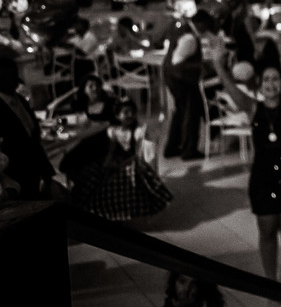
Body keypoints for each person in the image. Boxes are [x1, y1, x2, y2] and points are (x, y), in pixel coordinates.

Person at [213, 37, 281, 287]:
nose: (271, 83)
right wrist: (218, 64)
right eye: (266, 80)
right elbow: (230, 86)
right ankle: (271, 281)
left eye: (275, 79)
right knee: (267, 230)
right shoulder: (252, 107)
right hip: (263, 177)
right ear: (260, 86)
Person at [68, 97, 172, 221]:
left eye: (132, 112)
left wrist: (126, 162)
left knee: (126, 176)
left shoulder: (137, 131)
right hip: (117, 160)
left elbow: (138, 152)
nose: (129, 115)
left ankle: (129, 211)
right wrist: (108, 162)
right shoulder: (113, 130)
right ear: (117, 115)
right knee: (93, 173)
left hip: (131, 161)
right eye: (125, 112)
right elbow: (112, 150)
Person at [162, 10, 217, 160]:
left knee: (180, 112)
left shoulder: (186, 32)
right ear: (201, 23)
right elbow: (177, 63)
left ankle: (172, 147)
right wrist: (201, 65)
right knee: (190, 113)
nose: (206, 30)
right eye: (206, 26)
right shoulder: (189, 38)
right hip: (181, 79)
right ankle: (189, 150)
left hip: (174, 77)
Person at [0, 57, 56, 200]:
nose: (15, 79)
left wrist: (47, 172)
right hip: (18, 175)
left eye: (15, 74)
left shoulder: (20, 99)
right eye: (8, 76)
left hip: (37, 169)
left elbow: (33, 136)